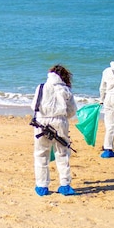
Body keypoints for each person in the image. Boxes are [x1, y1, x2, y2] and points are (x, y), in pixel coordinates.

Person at [31, 64, 78, 196]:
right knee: (62, 153)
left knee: (41, 155)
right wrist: (62, 117)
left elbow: (34, 105)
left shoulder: (41, 87)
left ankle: (42, 186)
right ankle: (65, 184)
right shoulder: (65, 90)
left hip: (41, 122)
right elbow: (72, 110)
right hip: (60, 122)